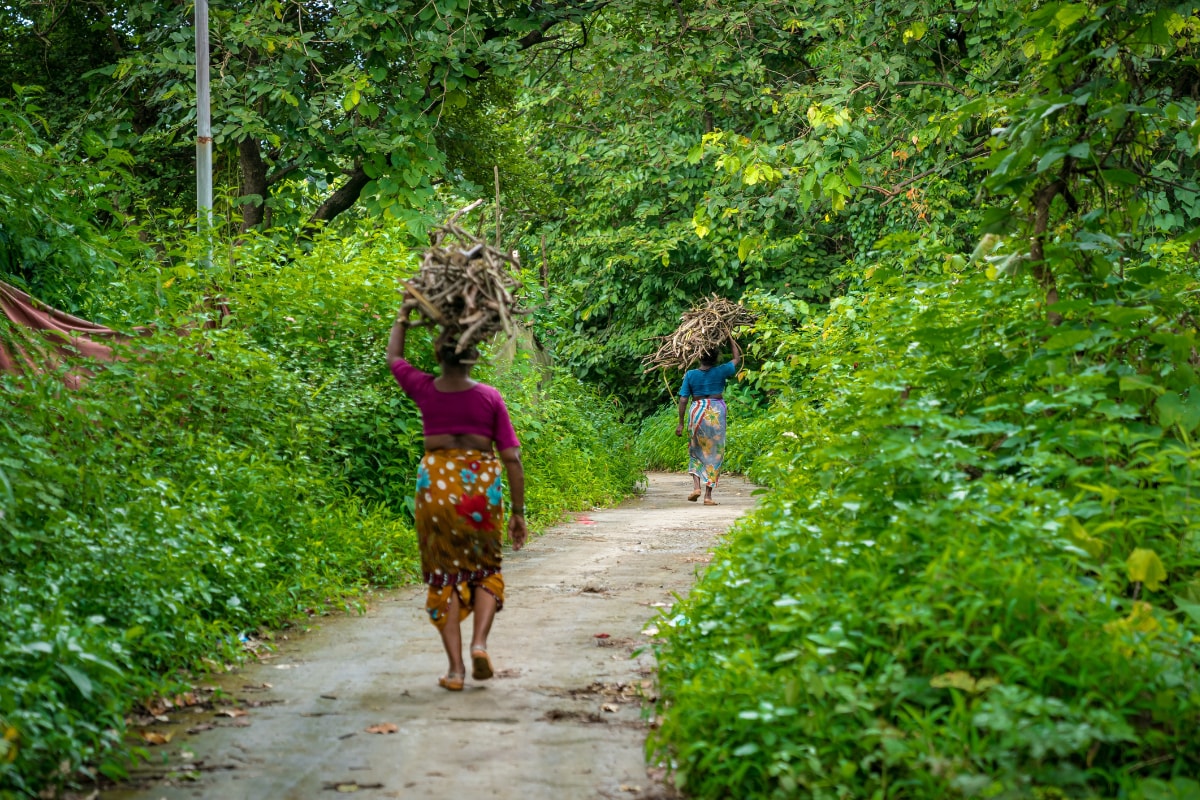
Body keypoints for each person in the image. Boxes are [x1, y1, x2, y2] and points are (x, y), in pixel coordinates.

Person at [386, 303, 528, 691]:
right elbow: (511, 458)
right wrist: (517, 512)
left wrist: (403, 313)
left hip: (435, 487)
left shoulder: (425, 389)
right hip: (480, 489)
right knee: (485, 569)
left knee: (445, 576)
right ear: (474, 356)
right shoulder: (490, 397)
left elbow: (394, 357)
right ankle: (480, 643)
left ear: (438, 355)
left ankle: (455, 670)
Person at [675, 339, 741, 505]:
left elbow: (683, 399)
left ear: (699, 356)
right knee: (715, 452)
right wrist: (731, 339)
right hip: (716, 412)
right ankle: (708, 496)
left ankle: (696, 486)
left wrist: (681, 423)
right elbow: (737, 359)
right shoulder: (721, 371)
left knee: (696, 450)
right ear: (716, 357)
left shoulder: (690, 375)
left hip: (697, 411)